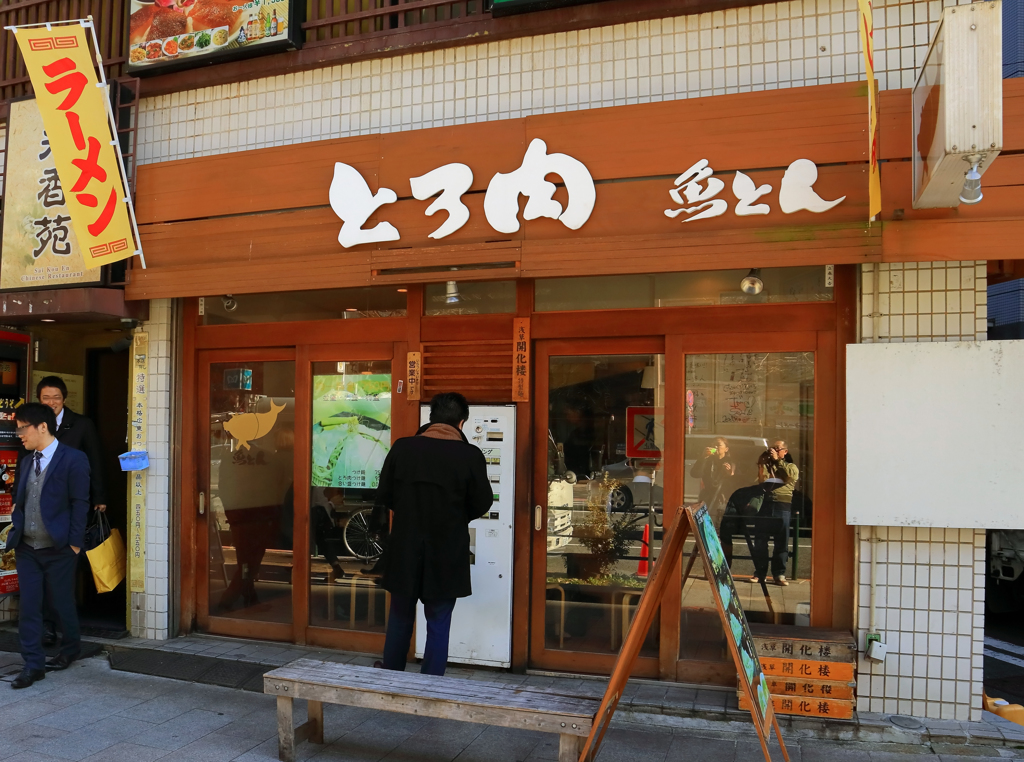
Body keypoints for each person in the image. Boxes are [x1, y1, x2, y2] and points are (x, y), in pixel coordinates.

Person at [374, 392, 492, 676]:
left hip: (404, 544)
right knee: (439, 618)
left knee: (401, 613)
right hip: (447, 548)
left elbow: (385, 494)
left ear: (431, 419)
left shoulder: (403, 448)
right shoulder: (470, 455)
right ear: (461, 423)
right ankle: (431, 681)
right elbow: (483, 501)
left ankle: (391, 674)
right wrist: (454, 517)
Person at [6, 403, 89, 689]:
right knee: (29, 607)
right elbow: (22, 497)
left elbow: (81, 504)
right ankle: (33, 665)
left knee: (61, 603)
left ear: (43, 427)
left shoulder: (73, 459)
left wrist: (75, 544)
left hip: (60, 547)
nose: (19, 434)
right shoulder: (27, 460)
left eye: (22, 428)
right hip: (28, 547)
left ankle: (70, 648)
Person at [36, 377, 106, 514]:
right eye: (46, 398)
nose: (51, 403)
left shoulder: (83, 424)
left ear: (64, 399)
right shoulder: (33, 425)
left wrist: (100, 496)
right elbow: (24, 461)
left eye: (56, 397)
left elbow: (95, 460)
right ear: (39, 400)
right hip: (40, 495)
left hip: (73, 496)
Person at [751, 440, 799, 587]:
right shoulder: (766, 465)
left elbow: (788, 477)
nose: (775, 451)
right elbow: (761, 481)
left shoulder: (791, 467)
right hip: (765, 504)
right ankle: (760, 573)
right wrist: (762, 463)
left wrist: (777, 461)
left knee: (781, 542)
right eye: (773, 448)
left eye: (778, 449)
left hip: (782, 505)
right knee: (760, 541)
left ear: (785, 451)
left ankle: (779, 574)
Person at [689, 437, 735, 529]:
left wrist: (730, 473)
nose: (715, 447)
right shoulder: (708, 460)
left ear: (726, 449)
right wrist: (703, 457)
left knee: (719, 526)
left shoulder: (730, 462)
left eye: (718, 445)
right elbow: (695, 473)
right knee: (704, 526)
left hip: (722, 497)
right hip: (707, 496)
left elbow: (737, 479)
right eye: (713, 445)